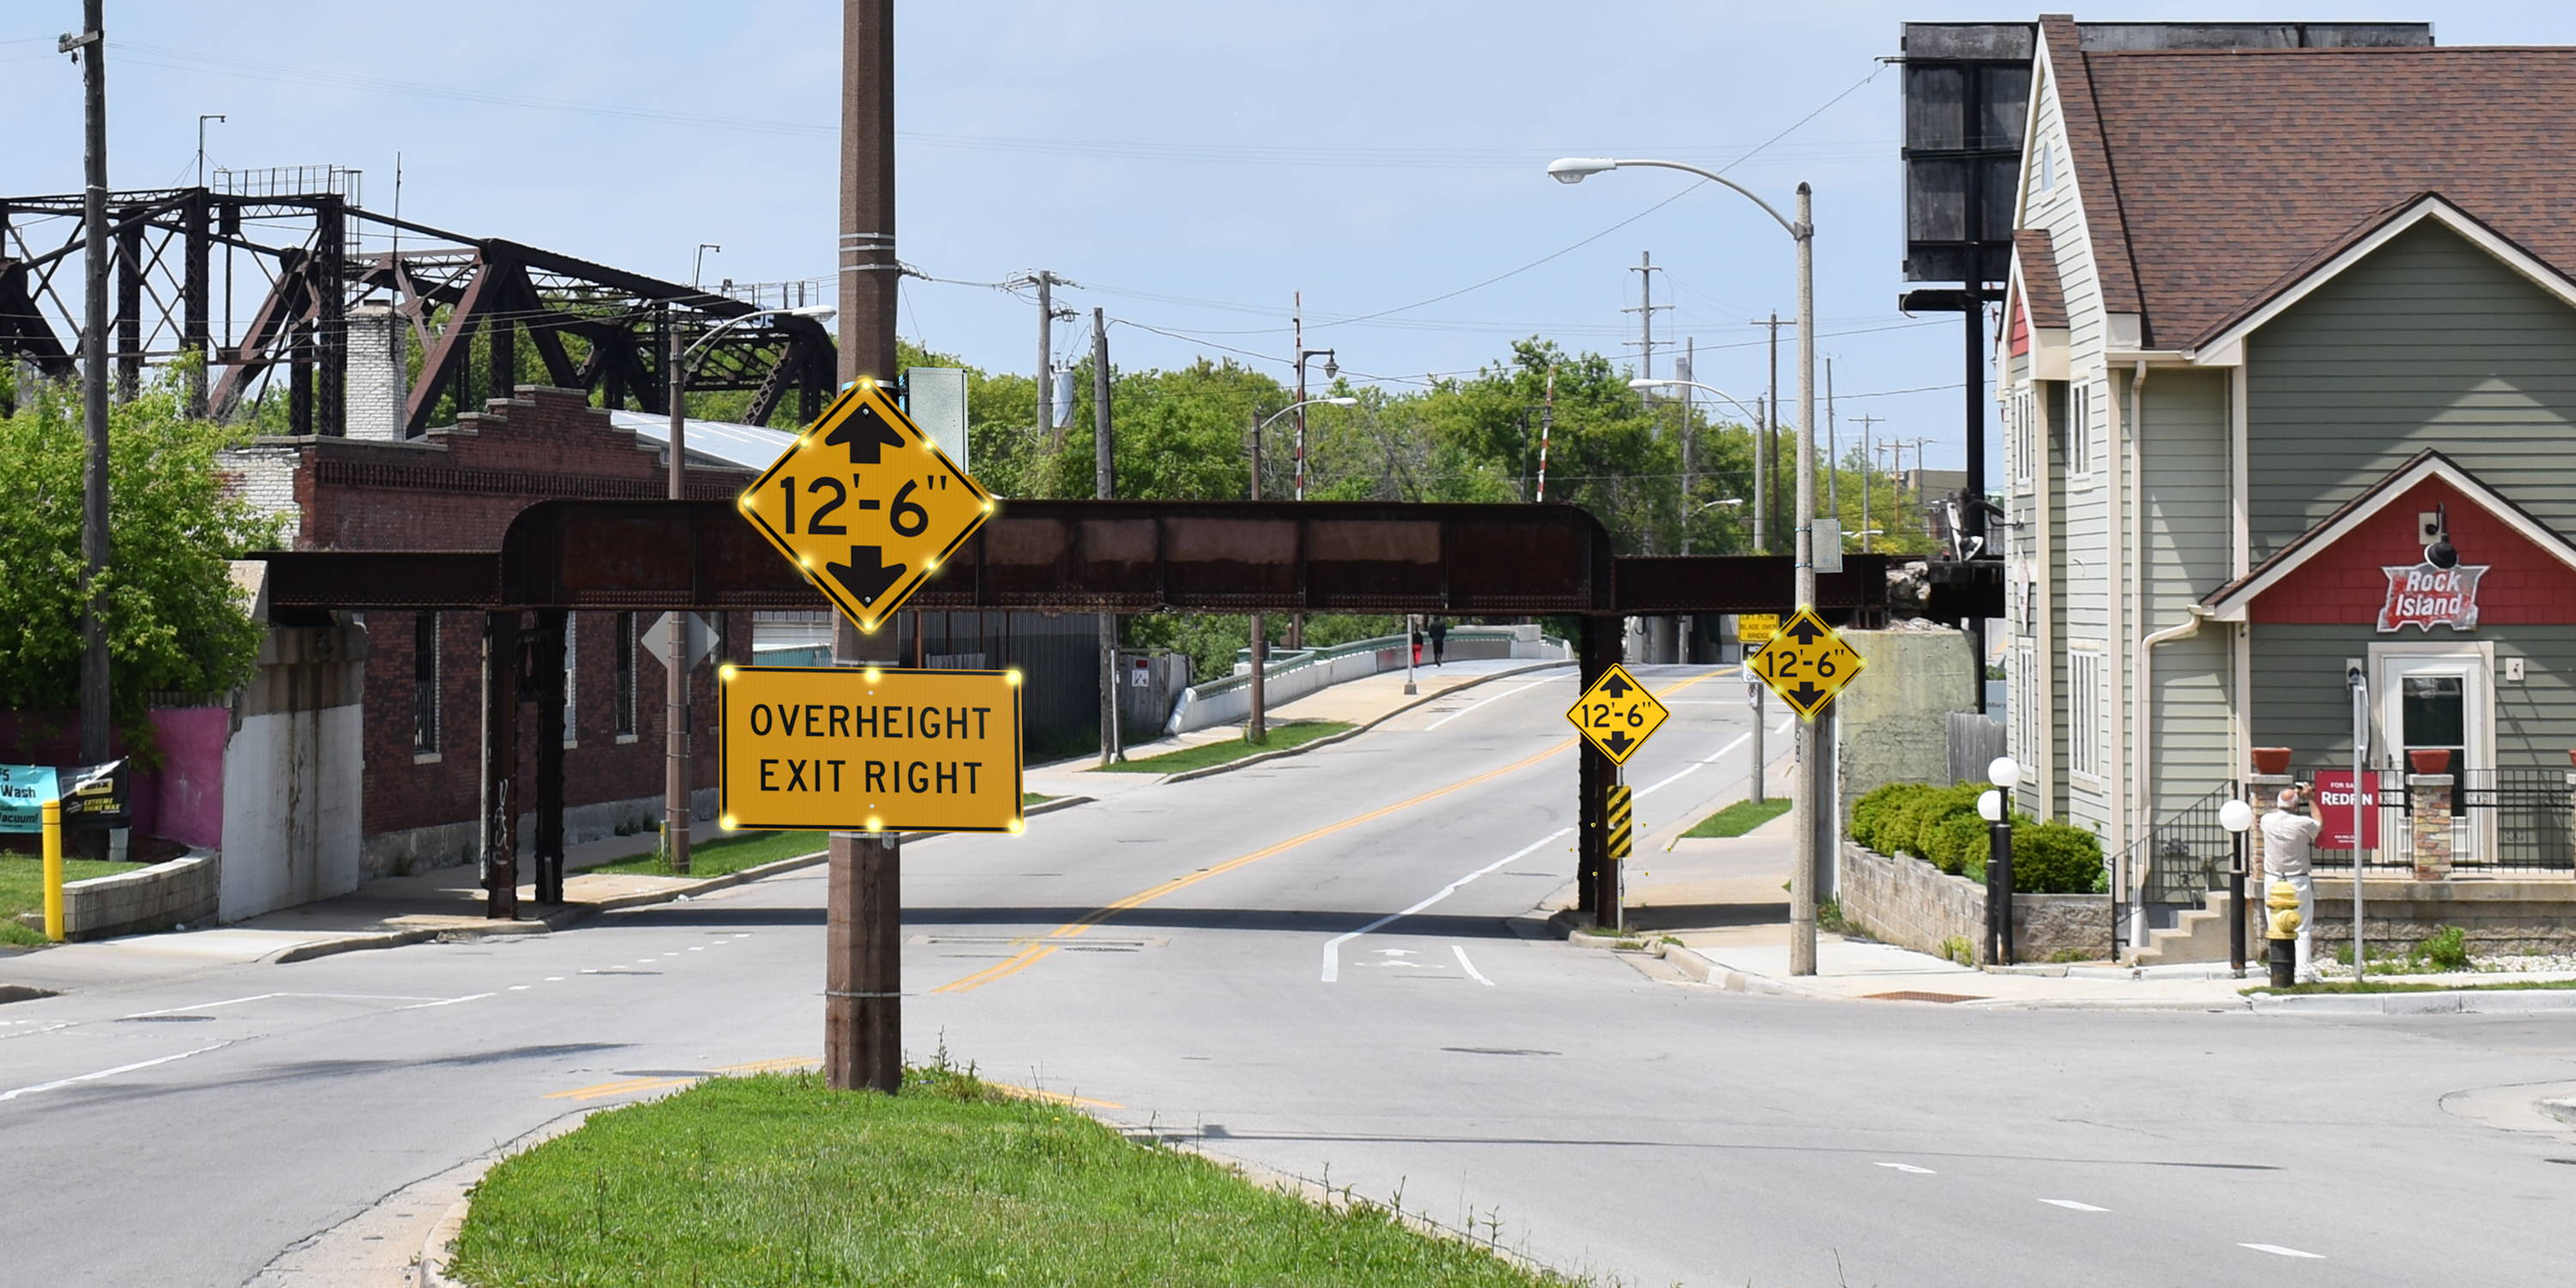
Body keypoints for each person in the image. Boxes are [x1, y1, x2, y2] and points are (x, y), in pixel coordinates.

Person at [2258, 783, 2321, 982]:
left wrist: (2290, 797)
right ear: (2296, 806)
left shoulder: (2266, 820)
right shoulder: (2303, 823)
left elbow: (2279, 810)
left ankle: (2278, 967)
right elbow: (2318, 824)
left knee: (2275, 926)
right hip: (2297, 880)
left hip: (2273, 879)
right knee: (2301, 928)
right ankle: (2303, 972)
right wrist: (2310, 797)